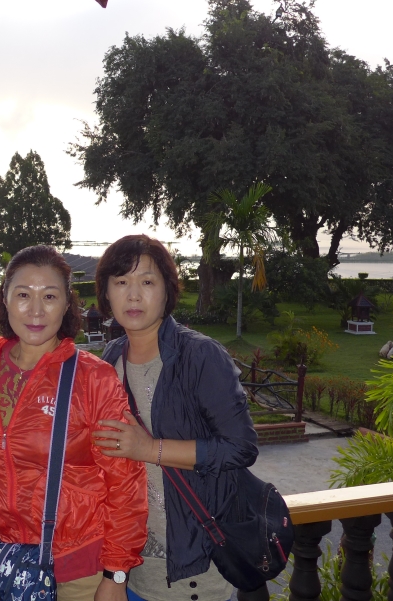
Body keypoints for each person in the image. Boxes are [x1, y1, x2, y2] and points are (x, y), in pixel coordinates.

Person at [0, 245, 148, 601]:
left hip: (79, 566)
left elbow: (126, 484)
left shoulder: (93, 378)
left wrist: (116, 575)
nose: (36, 310)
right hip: (5, 556)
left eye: (50, 296)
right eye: (23, 295)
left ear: (68, 303)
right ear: (4, 299)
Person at [91, 235, 259, 601]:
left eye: (147, 282)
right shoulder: (110, 359)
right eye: (121, 282)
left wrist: (150, 449)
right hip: (130, 569)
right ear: (106, 293)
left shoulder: (200, 356)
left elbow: (241, 447)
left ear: (167, 290)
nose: (133, 295)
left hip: (194, 571)